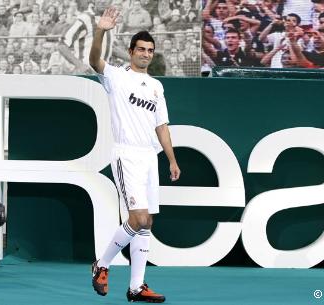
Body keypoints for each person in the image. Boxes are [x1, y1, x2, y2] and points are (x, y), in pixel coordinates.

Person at [89, 6, 181, 304]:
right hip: (126, 154)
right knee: (138, 218)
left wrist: (171, 159)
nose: (145, 54)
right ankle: (101, 264)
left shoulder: (156, 87)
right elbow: (93, 61)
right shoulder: (116, 77)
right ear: (131, 51)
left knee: (148, 222)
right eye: (141, 49)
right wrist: (101, 30)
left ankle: (136, 287)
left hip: (149, 157)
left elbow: (162, 126)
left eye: (150, 50)